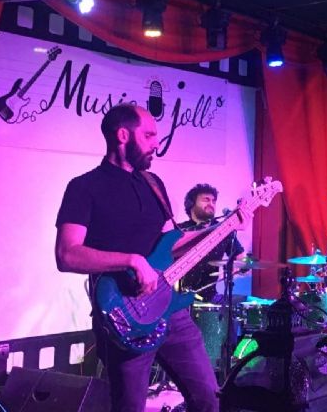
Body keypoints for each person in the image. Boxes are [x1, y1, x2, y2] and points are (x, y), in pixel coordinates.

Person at [55, 104, 249, 411]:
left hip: (171, 311)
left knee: (210, 400)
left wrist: (226, 226)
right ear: (123, 136)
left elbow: (175, 243)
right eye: (148, 135)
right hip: (125, 315)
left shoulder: (153, 184)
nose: (156, 143)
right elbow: (67, 254)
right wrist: (132, 260)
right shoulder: (84, 187)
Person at [178, 183, 245, 302]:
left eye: (214, 201)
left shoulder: (223, 229)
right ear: (191, 204)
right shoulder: (179, 231)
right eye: (206, 200)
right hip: (177, 298)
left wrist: (239, 265)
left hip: (209, 299)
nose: (211, 204)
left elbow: (242, 258)